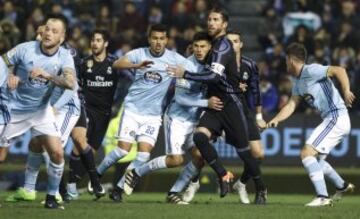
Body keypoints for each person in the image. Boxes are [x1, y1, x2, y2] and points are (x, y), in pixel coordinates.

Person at [167, 8, 267, 203]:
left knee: (245, 153)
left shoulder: (222, 46)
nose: (211, 23)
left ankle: (261, 188)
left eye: (215, 20)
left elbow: (214, 76)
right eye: (209, 19)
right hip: (214, 103)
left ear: (224, 24)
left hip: (231, 104)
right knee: (199, 137)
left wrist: (185, 74)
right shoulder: (214, 44)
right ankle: (223, 175)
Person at [122, 32, 222, 204]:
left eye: (203, 46)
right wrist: (207, 103)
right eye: (196, 46)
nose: (199, 50)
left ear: (210, 48)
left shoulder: (212, 67)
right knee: (176, 160)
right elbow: (181, 99)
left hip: (194, 120)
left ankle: (173, 193)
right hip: (177, 118)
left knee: (200, 157)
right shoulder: (185, 65)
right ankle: (136, 172)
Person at [94, 24, 189, 202]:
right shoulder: (140, 53)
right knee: (123, 151)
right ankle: (97, 174)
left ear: (166, 40)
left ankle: (118, 189)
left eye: (161, 38)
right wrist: (136, 65)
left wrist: (185, 73)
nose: (158, 42)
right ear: (149, 39)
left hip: (153, 116)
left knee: (144, 155)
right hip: (132, 110)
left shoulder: (174, 58)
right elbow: (116, 63)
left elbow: (194, 68)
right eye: (155, 38)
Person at [0, 16, 76, 209]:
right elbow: (4, 60)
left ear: (62, 37)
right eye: (47, 29)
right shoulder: (25, 49)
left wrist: (48, 75)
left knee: (57, 153)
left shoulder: (65, 56)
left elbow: (70, 83)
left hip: (41, 111)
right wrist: (9, 75)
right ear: (42, 31)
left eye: (54, 31)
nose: (49, 33)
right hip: (13, 109)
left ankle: (51, 198)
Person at [267, 42, 355, 207]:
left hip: (336, 117)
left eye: (286, 61)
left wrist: (346, 90)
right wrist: (276, 119)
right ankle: (341, 186)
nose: (285, 64)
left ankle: (322, 196)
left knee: (306, 153)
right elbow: (291, 105)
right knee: (317, 160)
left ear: (291, 60)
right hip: (333, 119)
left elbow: (339, 70)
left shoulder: (310, 70)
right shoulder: (299, 83)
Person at [64, 29, 120, 200]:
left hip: (104, 114)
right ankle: (85, 184)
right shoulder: (83, 63)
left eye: (98, 40)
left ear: (106, 44)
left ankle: (71, 184)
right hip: (86, 109)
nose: (94, 43)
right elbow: (74, 85)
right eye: (93, 40)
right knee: (79, 143)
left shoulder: (115, 64)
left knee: (89, 153)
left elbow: (129, 79)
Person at [226, 30, 266, 204]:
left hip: (243, 111)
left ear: (241, 44)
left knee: (258, 154)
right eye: (229, 42)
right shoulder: (218, 63)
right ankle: (190, 184)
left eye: (235, 41)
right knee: (199, 149)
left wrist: (258, 116)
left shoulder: (249, 65)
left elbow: (255, 91)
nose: (232, 44)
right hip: (221, 112)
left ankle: (241, 183)